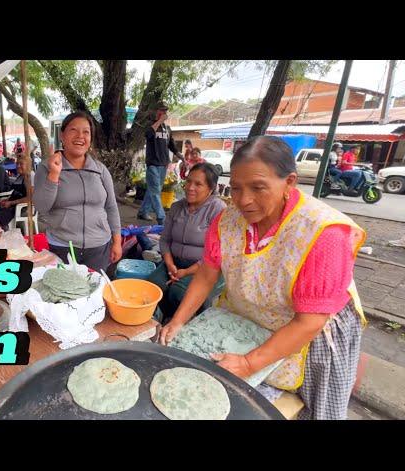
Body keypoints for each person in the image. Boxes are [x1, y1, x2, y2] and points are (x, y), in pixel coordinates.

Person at [158, 136, 367, 420]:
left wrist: (247, 362)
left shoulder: (323, 232)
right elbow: (207, 274)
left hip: (310, 331)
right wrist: (179, 320)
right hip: (249, 317)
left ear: (289, 182)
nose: (244, 200)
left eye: (258, 188)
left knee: (312, 410)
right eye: (235, 188)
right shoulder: (227, 218)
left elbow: (310, 321)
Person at [34, 111, 122, 272]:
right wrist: (54, 174)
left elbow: (111, 207)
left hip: (99, 246)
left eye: (86, 132)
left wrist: (117, 241)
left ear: (90, 138)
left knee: (97, 292)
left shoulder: (100, 170)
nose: (80, 136)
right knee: (66, 293)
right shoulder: (47, 167)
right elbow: (41, 206)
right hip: (62, 245)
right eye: (73, 130)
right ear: (62, 135)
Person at [147, 163, 226, 318]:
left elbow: (217, 253)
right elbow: (165, 240)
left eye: (198, 184)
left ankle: (186, 322)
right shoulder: (177, 207)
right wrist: (170, 265)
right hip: (174, 263)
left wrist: (186, 272)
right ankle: (162, 319)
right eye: (188, 181)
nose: (190, 187)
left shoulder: (217, 209)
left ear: (211, 188)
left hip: (204, 267)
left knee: (179, 292)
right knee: (153, 285)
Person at [137, 101, 184, 224]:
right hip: (152, 164)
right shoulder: (150, 125)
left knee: (153, 190)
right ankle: (162, 218)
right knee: (155, 191)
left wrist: (182, 158)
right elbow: (148, 135)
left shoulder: (168, 129)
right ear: (156, 111)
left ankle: (143, 212)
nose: (164, 113)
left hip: (163, 164)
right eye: (161, 110)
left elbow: (172, 146)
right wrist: (158, 122)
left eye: (165, 111)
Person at [0, 155, 34, 230]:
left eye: (21, 164)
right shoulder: (21, 176)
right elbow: (17, 193)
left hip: (22, 207)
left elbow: (31, 198)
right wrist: (7, 200)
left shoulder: (31, 177)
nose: (18, 166)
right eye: (17, 163)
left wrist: (11, 203)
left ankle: (2, 231)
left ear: (28, 165)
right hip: (12, 205)